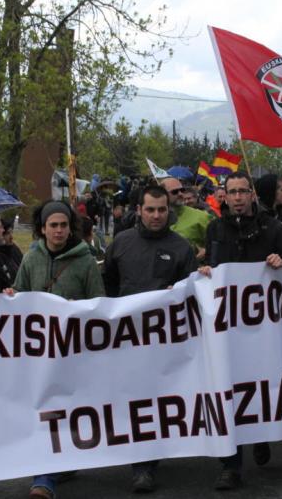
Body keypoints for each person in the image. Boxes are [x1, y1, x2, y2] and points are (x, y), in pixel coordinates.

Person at [199, 171, 282, 490]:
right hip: (228, 327)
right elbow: (213, 268)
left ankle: (261, 434)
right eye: (232, 192)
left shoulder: (273, 228)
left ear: (253, 195)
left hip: (264, 325)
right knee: (229, 387)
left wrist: (281, 260)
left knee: (261, 383)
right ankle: (231, 465)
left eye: (243, 192)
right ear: (224, 196)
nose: (238, 197)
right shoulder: (215, 228)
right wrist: (204, 271)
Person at [103, 185, 197, 492]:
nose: (156, 215)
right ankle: (141, 465)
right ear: (139, 210)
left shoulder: (182, 247)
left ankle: (150, 460)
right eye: (150, 209)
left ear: (168, 210)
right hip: (127, 338)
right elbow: (109, 289)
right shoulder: (120, 244)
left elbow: (191, 294)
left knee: (159, 401)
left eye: (162, 209)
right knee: (135, 399)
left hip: (166, 340)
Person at [8, 201, 104, 499]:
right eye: (53, 225)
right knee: (44, 409)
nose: (59, 230)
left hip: (73, 349)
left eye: (64, 225)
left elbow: (98, 301)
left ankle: (61, 464)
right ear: (43, 228)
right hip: (40, 351)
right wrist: (11, 296)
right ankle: (44, 478)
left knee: (66, 409)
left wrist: (78, 311)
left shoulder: (85, 260)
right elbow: (20, 294)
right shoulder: (31, 258)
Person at [160, 177, 212, 260]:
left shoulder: (201, 217)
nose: (180, 194)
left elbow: (217, 246)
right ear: (162, 195)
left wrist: (207, 252)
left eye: (182, 190)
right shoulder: (154, 218)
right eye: (175, 192)